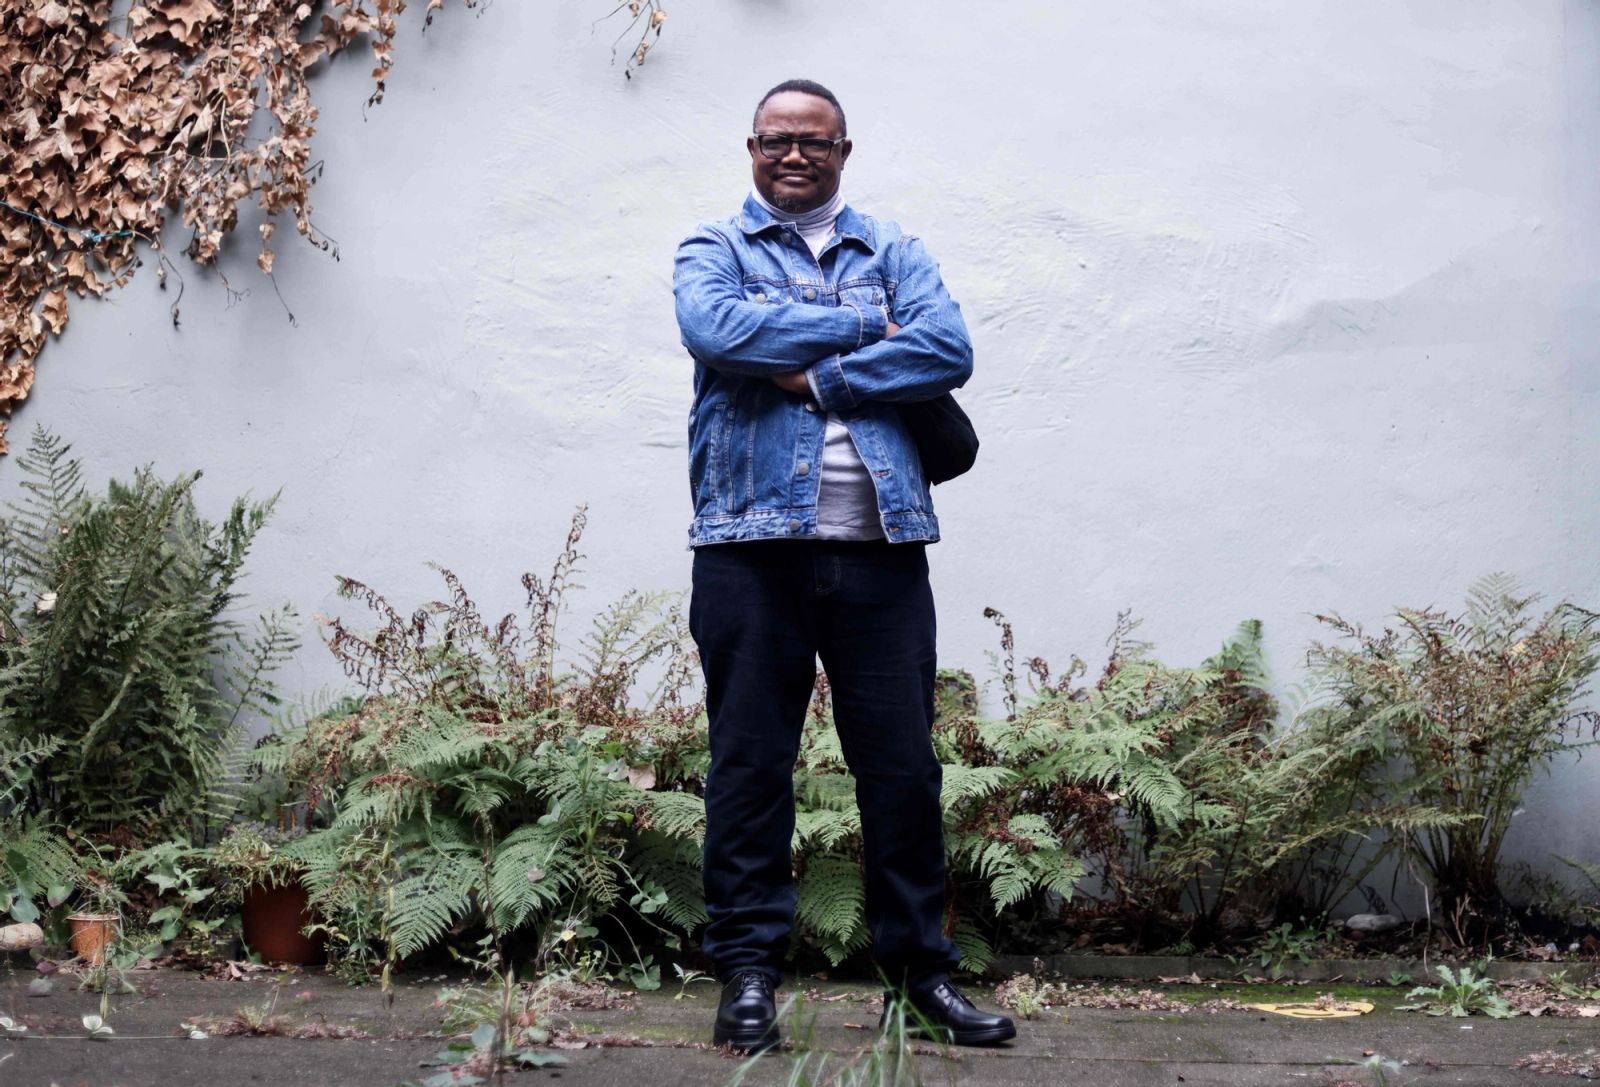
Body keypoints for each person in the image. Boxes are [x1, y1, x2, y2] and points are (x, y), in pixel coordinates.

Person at [671, 79, 1016, 1053]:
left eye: (814, 142)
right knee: (749, 771)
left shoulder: (892, 248)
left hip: (882, 552)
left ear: (843, 152)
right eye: (776, 139)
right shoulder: (713, 248)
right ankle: (747, 978)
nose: (794, 154)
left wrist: (813, 370)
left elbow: (947, 348)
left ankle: (919, 980)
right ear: (751, 148)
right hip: (749, 551)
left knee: (902, 773)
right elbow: (717, 330)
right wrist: (870, 329)